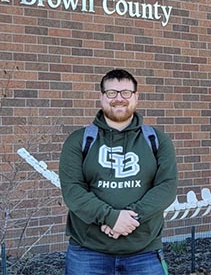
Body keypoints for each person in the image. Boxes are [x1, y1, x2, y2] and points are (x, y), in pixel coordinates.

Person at [59, 69, 178, 275]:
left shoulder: (157, 140)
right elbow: (73, 191)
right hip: (87, 253)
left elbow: (166, 187)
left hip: (144, 251)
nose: (119, 99)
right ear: (101, 97)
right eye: (112, 93)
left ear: (136, 97)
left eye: (126, 93)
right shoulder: (79, 141)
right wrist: (110, 217)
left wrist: (128, 219)